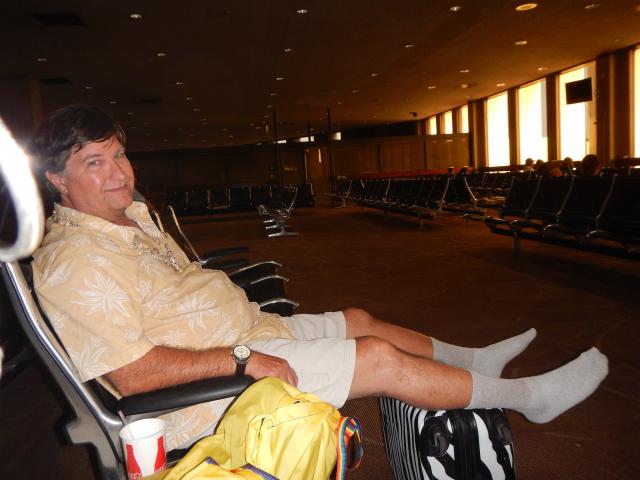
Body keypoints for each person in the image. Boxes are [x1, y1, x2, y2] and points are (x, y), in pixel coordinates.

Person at [29, 105, 608, 451]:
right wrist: (242, 359)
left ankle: (474, 361)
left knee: (357, 319)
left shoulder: (128, 216)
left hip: (248, 334)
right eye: (94, 163)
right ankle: (529, 399)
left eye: (119, 155)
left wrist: (244, 337)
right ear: (57, 178)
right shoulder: (73, 263)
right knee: (376, 356)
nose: (118, 174)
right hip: (209, 389)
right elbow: (132, 374)